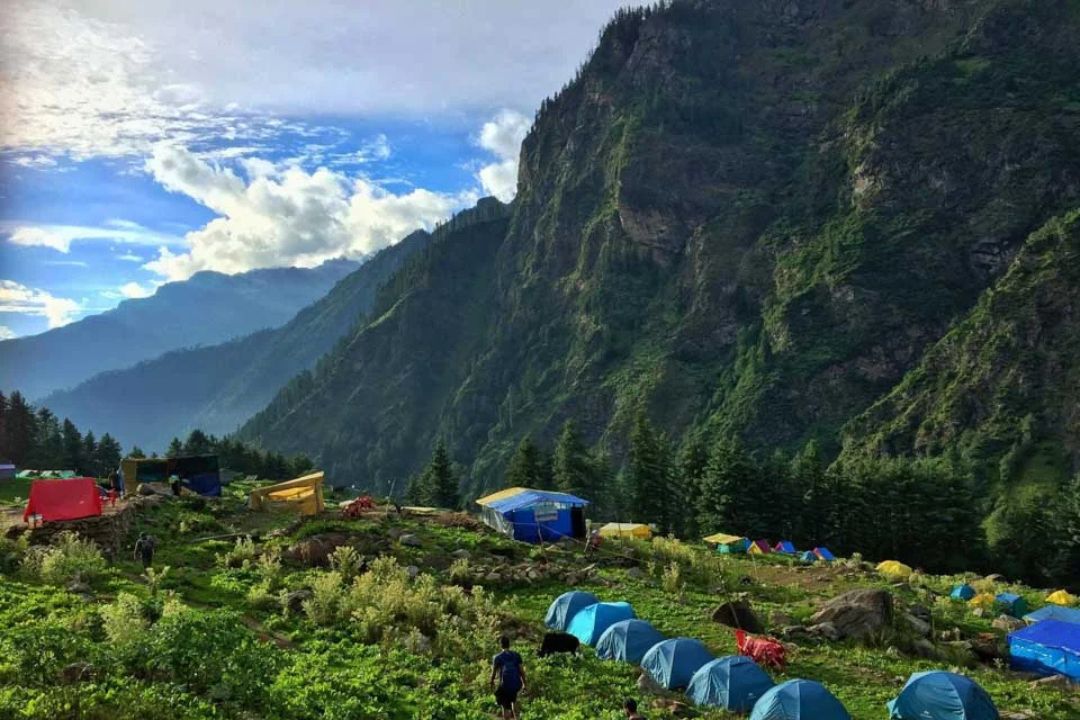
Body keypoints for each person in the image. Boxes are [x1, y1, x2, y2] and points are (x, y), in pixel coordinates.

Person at [490, 635, 525, 719]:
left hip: (504, 685)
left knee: (505, 707)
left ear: (500, 645)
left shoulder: (497, 657)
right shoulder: (516, 655)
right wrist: (524, 684)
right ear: (509, 644)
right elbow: (522, 671)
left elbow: (494, 673)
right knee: (514, 702)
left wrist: (491, 682)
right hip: (516, 684)